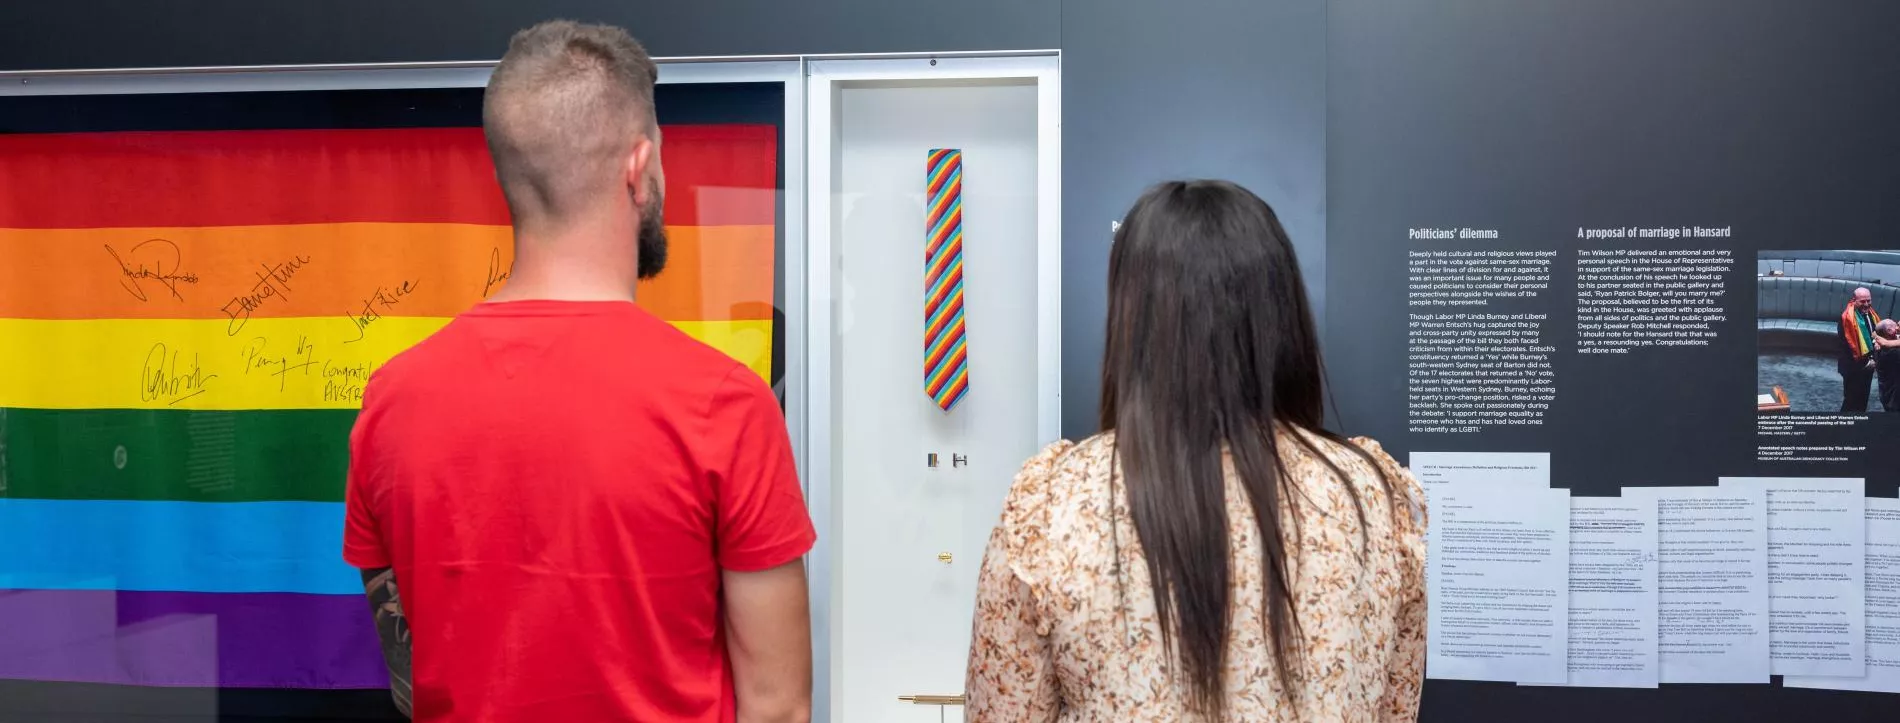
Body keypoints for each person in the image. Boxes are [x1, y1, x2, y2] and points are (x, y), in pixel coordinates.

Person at [342, 20, 816, 723]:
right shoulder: (726, 404)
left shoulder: (392, 402)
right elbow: (776, 707)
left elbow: (410, 679)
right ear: (639, 166)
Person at [964, 180, 1426, 721]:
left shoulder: (1049, 505)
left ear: (1131, 319)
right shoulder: (1375, 498)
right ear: (1281, 312)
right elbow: (1394, 709)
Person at [1839, 287, 1882, 412]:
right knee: (1851, 401)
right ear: (1854, 300)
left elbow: (1873, 334)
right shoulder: (1846, 320)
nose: (1867, 304)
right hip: (1852, 367)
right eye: (1862, 301)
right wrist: (1867, 362)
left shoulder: (1871, 314)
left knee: (1863, 399)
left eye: (1868, 301)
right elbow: (1849, 348)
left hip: (1868, 366)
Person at [1872, 319, 1900, 411]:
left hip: (1887, 395)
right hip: (1895, 399)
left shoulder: (1879, 347)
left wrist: (1876, 337)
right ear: (1889, 331)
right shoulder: (1893, 352)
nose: (1897, 328)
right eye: (1896, 325)